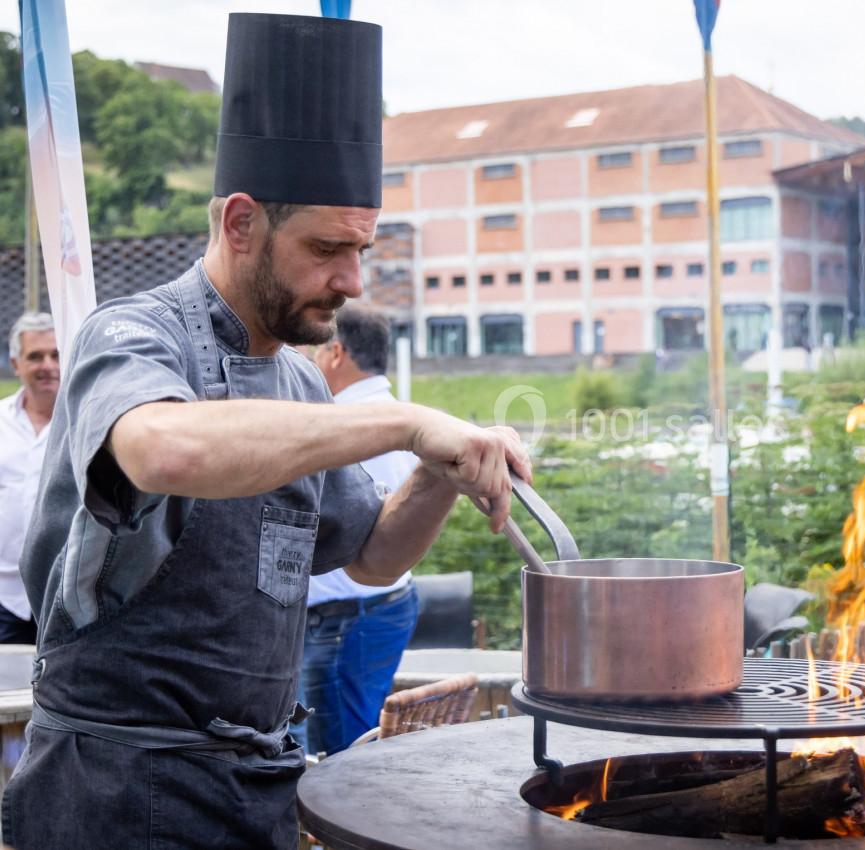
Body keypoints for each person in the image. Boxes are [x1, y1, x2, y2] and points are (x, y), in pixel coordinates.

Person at [5, 13, 530, 849]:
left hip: (259, 786)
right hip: (115, 791)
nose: (351, 280)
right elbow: (162, 449)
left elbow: (371, 554)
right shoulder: (133, 334)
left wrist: (438, 471)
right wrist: (399, 421)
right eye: (327, 248)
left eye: (360, 249)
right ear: (241, 222)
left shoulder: (294, 379)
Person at [295, 306, 420, 756]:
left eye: (314, 350)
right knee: (350, 739)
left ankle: (340, 829)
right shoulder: (402, 416)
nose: (307, 362)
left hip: (348, 619)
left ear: (337, 352)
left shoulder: (349, 426)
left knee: (344, 755)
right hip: (378, 609)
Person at [0, 313, 59, 644]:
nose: (47, 365)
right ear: (15, 363)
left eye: (55, 354)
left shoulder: (86, 419)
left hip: (62, 595)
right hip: (4, 597)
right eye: (35, 356)